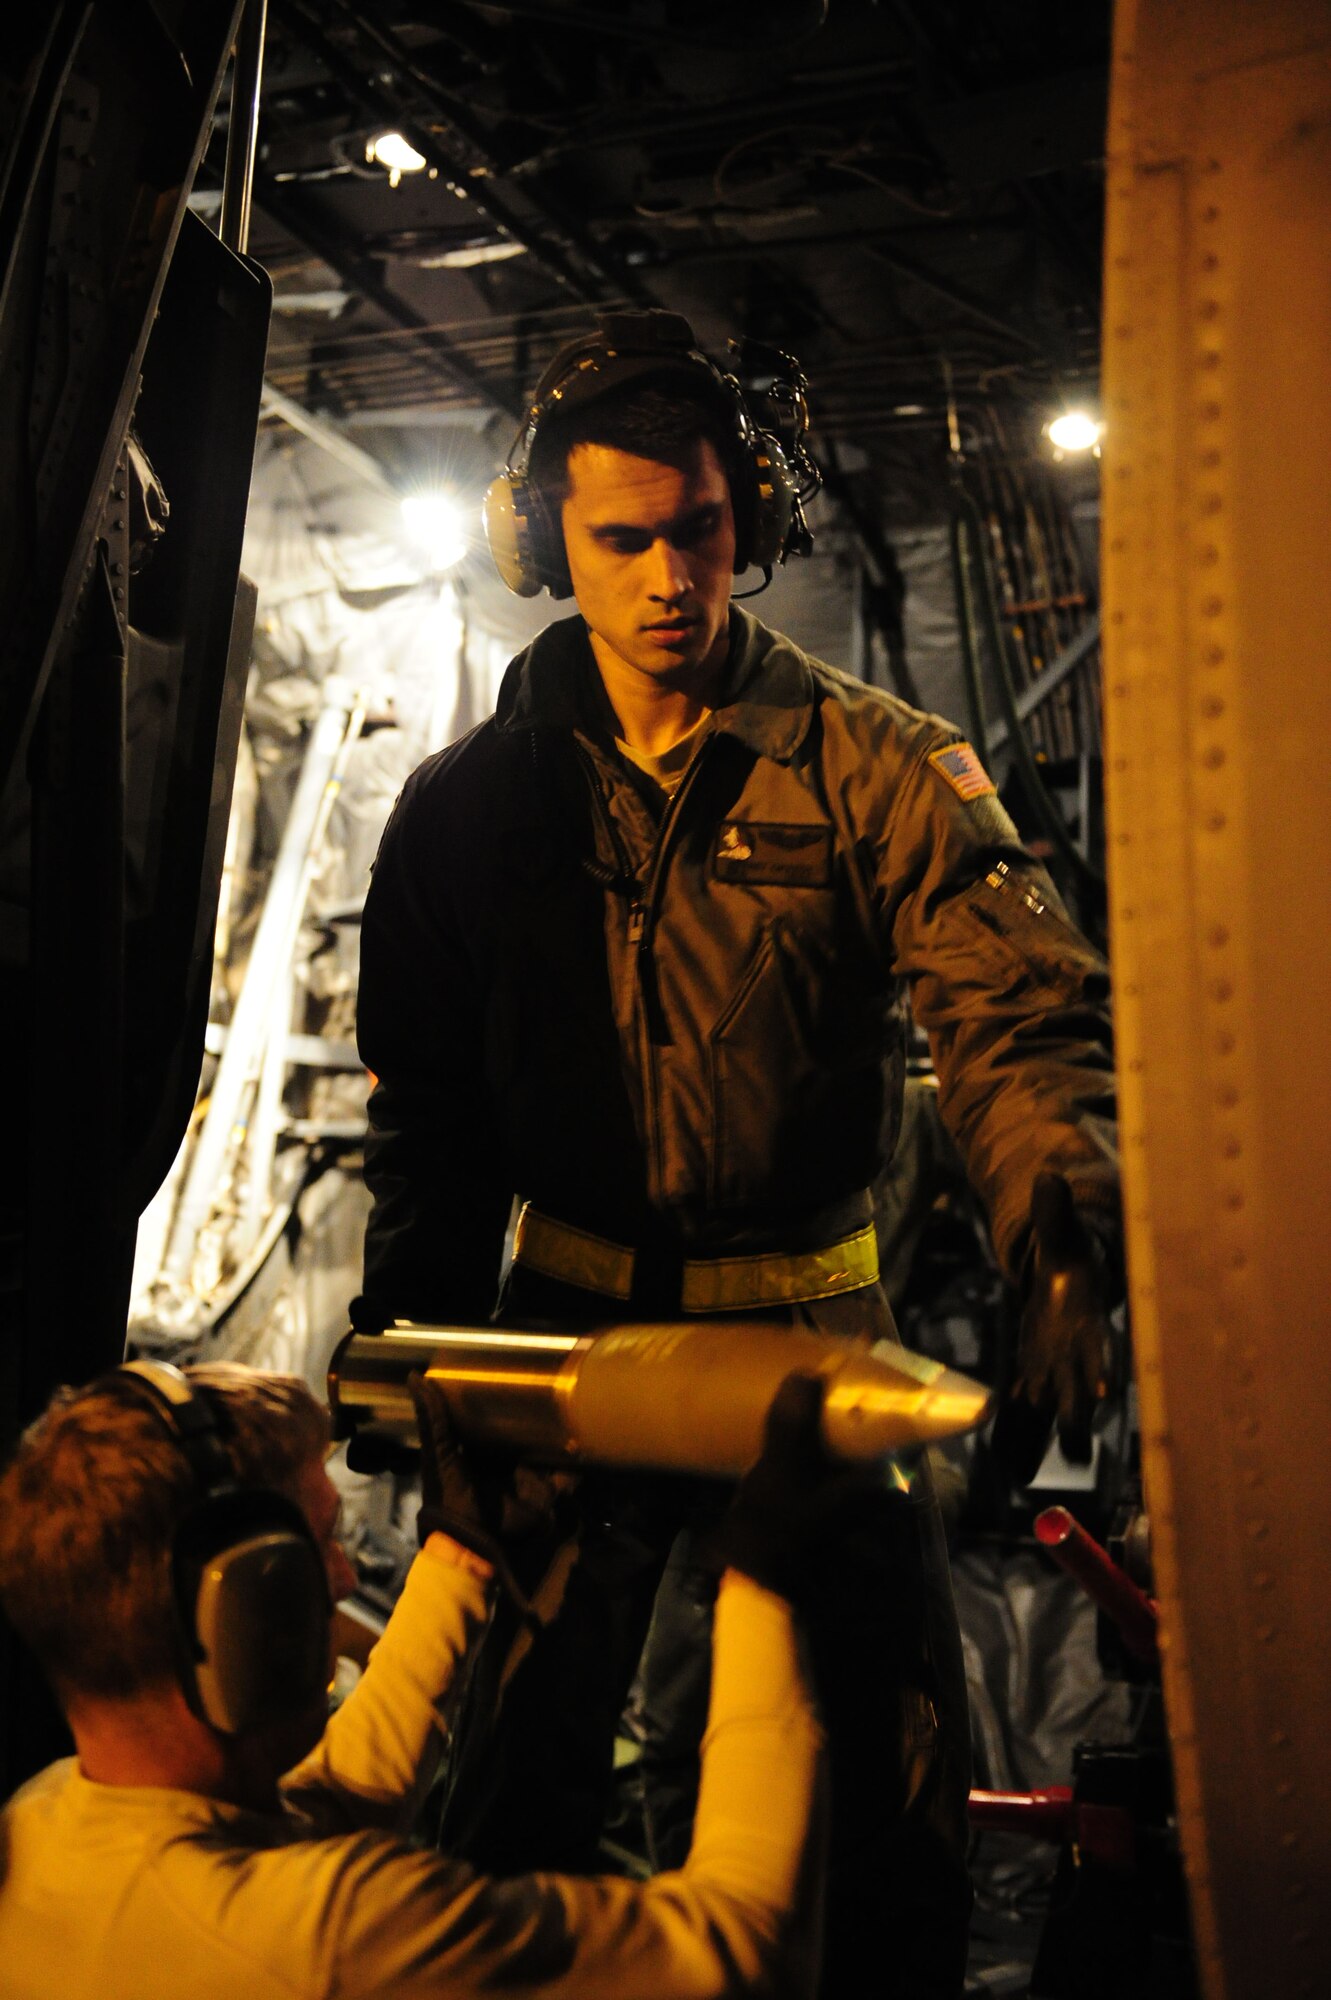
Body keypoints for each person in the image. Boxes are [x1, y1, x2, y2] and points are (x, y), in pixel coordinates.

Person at [356, 310, 1121, 1996]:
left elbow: (1017, 1021)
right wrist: (413, 1357)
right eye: (619, 538)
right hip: (566, 1349)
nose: (663, 578)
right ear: (544, 538)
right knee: (515, 1784)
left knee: (888, 1772)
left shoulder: (880, 772)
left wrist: (1058, 1230)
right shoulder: (468, 812)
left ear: (749, 521)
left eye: (695, 530)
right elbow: (427, 1118)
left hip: (807, 1349)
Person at [0, 1357, 839, 1999]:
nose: (339, 1579)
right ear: (237, 1606)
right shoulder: (335, 1937)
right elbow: (748, 1949)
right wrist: (762, 1588)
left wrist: (459, 1559)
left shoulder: (41, 1827)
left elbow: (321, 1808)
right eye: (318, 1546)